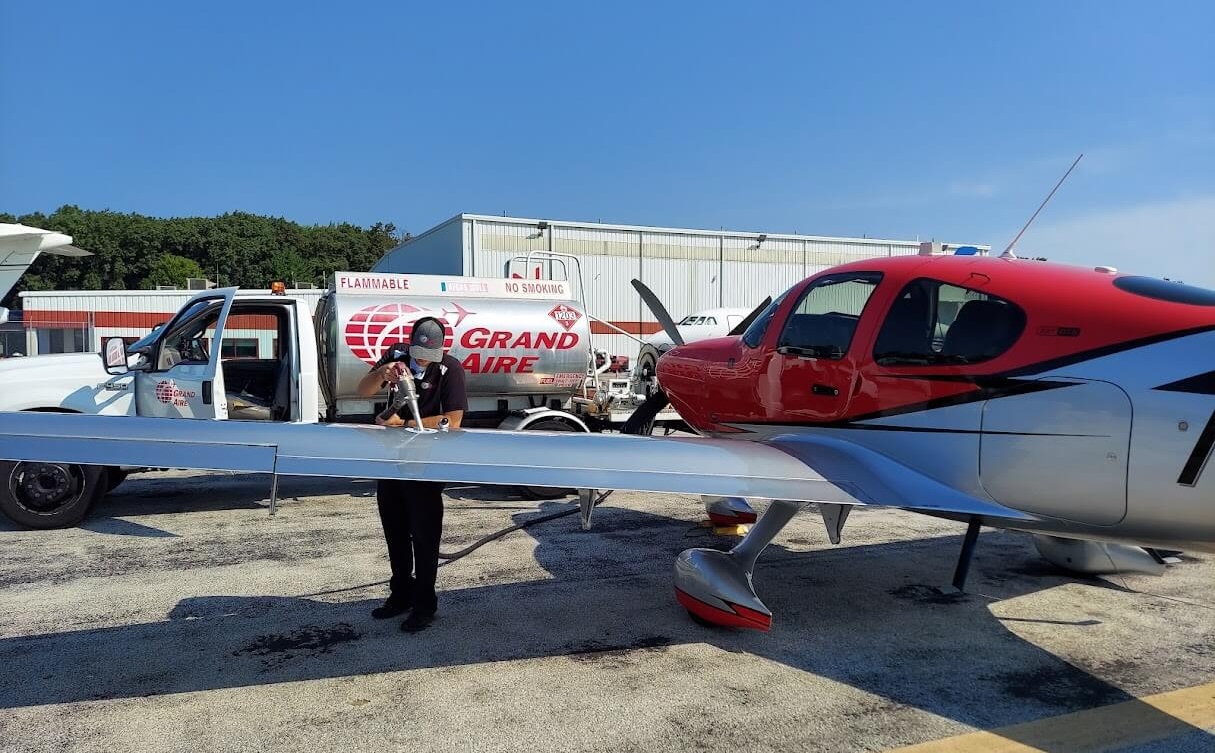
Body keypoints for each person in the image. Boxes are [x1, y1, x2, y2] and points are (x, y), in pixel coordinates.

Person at [356, 317, 467, 632]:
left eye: (427, 355)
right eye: (417, 352)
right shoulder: (395, 356)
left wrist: (402, 425)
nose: (420, 360)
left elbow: (454, 420)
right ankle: (400, 594)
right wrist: (382, 373)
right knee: (394, 530)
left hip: (426, 462)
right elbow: (363, 390)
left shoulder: (450, 369)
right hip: (390, 459)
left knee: (424, 535)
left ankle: (424, 603)